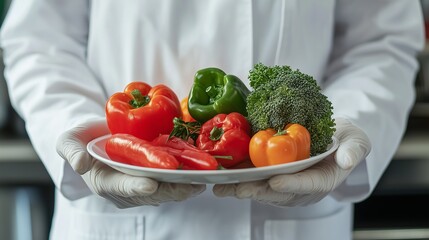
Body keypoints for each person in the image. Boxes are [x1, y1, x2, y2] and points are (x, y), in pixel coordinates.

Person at [0, 1, 424, 239]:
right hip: (117, 220)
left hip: (296, 212)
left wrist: (340, 128)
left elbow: (381, 41)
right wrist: (83, 132)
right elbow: (38, 39)